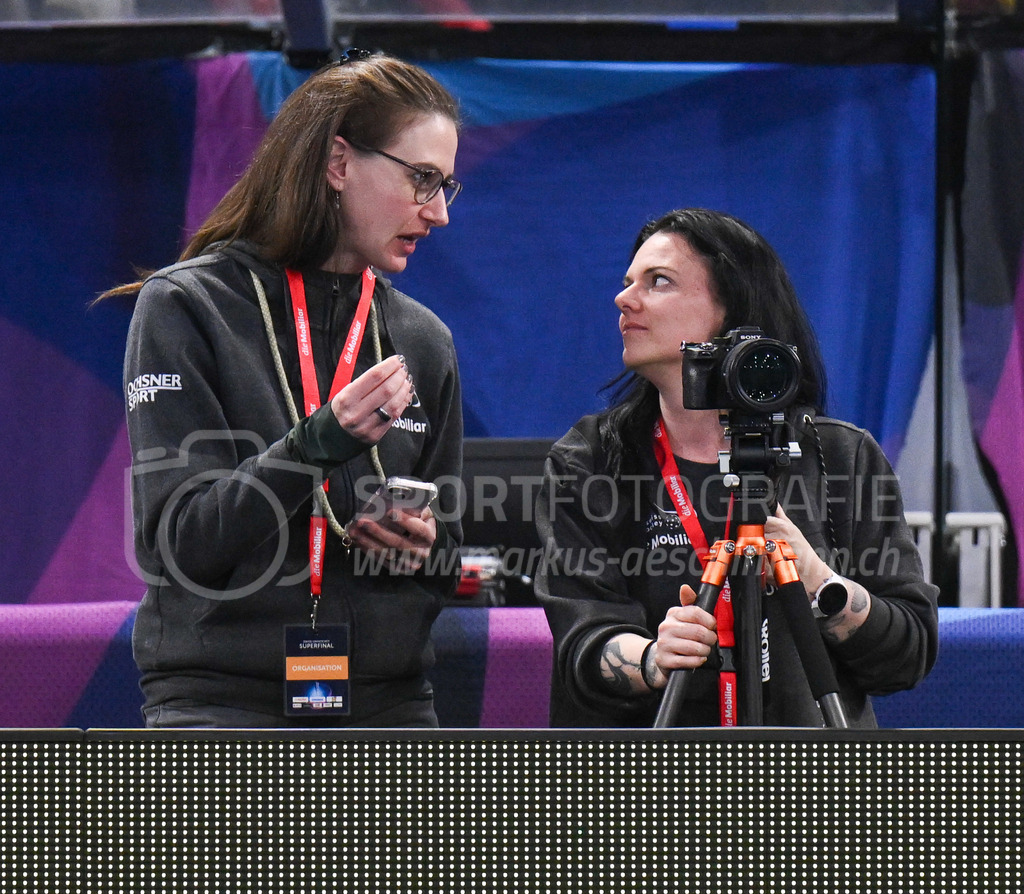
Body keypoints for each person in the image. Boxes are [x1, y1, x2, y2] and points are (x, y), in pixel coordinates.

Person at [110, 50, 464, 728]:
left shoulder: (423, 339)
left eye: (447, 185)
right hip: (222, 700)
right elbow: (184, 545)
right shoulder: (186, 307)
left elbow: (449, 560)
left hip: (387, 701)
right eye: (422, 179)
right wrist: (318, 444)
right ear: (337, 163)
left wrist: (419, 546)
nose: (438, 212)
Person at [534, 208, 939, 728]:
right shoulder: (590, 461)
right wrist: (653, 658)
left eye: (658, 282)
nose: (624, 298)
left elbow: (908, 654)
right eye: (628, 281)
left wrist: (818, 581)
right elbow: (582, 644)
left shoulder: (840, 458)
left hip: (807, 792)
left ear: (732, 311)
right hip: (651, 790)